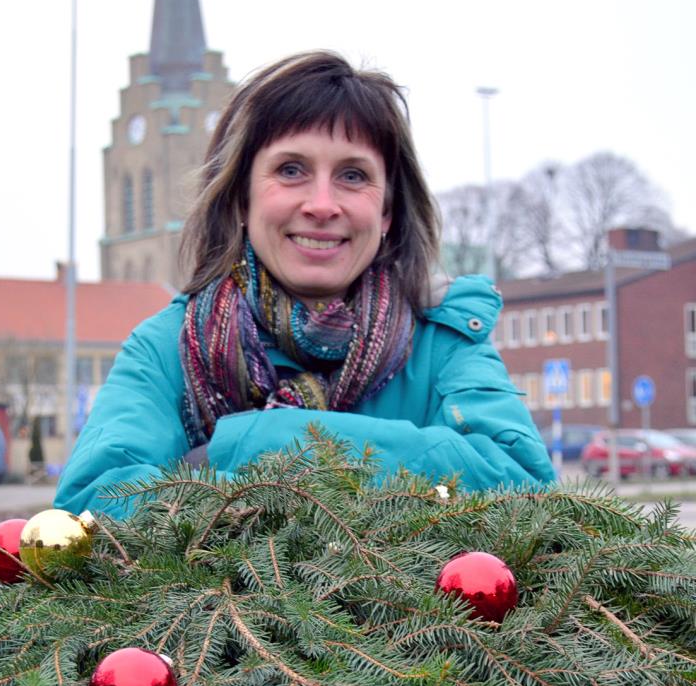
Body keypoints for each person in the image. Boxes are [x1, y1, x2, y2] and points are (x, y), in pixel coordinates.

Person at [55, 52, 555, 520]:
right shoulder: (166, 348)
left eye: (353, 175)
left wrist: (251, 445)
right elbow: (92, 506)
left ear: (386, 213)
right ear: (240, 200)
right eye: (291, 170)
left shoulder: (442, 340)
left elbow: (524, 488)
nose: (321, 204)